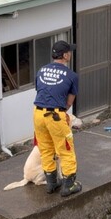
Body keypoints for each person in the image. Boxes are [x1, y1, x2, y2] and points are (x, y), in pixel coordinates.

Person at [33, 40, 82, 197]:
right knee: (65, 149)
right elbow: (69, 101)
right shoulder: (71, 75)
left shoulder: (41, 70)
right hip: (55, 115)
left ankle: (51, 183)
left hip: (38, 114)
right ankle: (69, 185)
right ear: (66, 55)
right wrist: (61, 112)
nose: (71, 54)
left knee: (45, 148)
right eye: (70, 52)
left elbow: (40, 89)